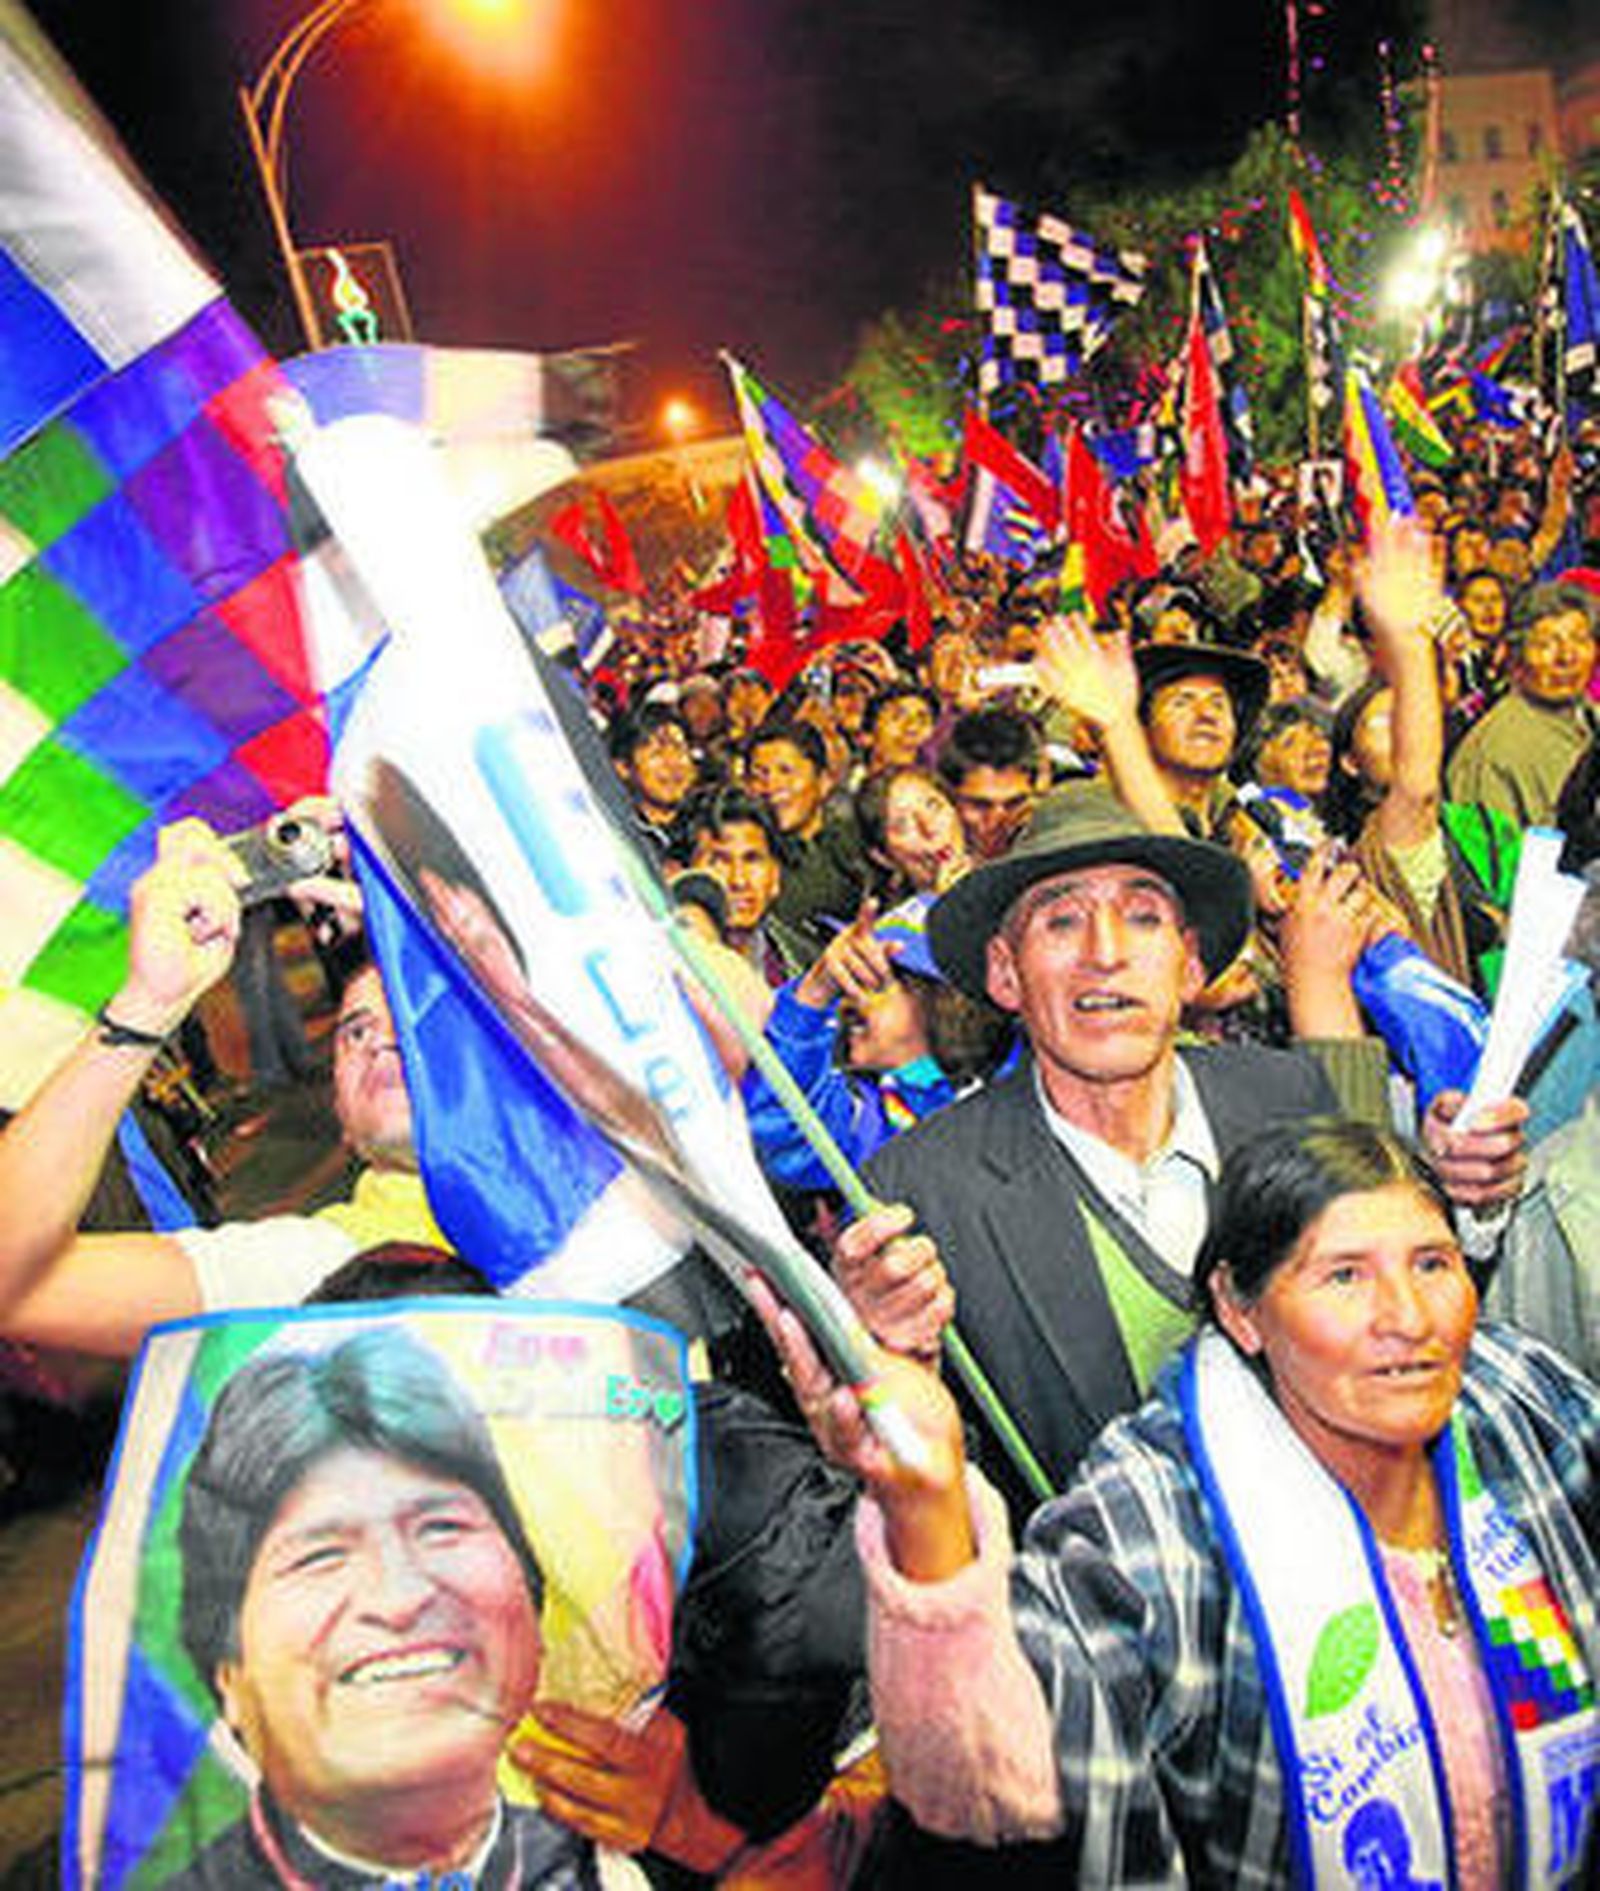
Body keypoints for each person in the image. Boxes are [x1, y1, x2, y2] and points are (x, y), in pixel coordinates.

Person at [764, 1119, 1600, 1889]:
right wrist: (928, 1505)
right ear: (1239, 1308)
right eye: (1344, 1275)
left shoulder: (1517, 1403)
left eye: (1433, 1262)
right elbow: (1015, 1789)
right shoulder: (1146, 1528)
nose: (1410, 1318)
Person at [851, 785, 1527, 1511]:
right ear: (1006, 972)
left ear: (1192, 966)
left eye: (1142, 917)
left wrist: (1468, 1198)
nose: (1105, 954)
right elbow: (940, 1496)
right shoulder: (920, 1190)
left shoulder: (1295, 1098)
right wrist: (890, 1375)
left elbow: (1412, 1339)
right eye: (1062, 922)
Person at [166, 1326, 610, 1887]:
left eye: (441, 1527)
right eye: (321, 1556)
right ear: (229, 1675)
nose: (400, 1599)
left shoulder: (631, 1838)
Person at [1446, 583, 1600, 828]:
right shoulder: (1497, 748)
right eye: (1545, 644)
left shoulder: (1586, 714)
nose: (1567, 657)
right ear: (1514, 658)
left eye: (1580, 640)